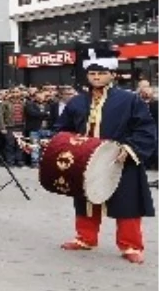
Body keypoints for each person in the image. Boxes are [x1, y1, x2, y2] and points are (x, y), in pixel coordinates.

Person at [54, 44, 155, 264]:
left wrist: (129, 149)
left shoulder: (130, 100)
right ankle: (85, 238)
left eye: (101, 73)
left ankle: (130, 245)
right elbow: (63, 129)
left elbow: (145, 129)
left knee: (127, 203)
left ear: (112, 74)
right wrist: (57, 144)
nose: (96, 77)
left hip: (120, 159)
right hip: (85, 160)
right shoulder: (77, 101)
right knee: (85, 199)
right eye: (92, 73)